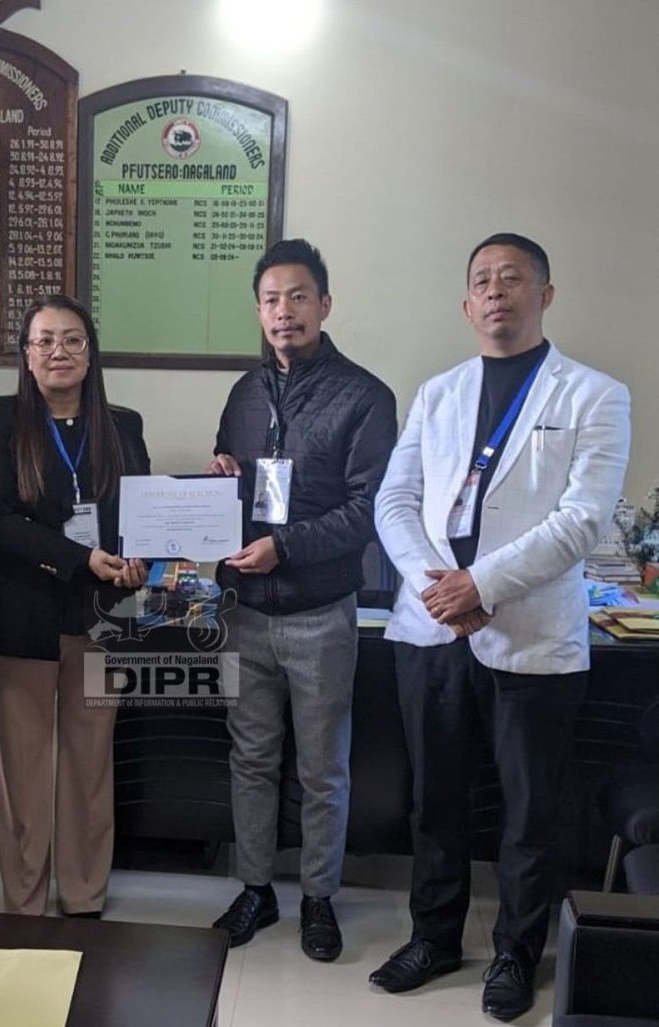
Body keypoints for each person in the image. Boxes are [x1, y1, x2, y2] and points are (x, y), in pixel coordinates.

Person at [371, 233, 631, 1020]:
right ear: (465, 302)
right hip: (434, 631)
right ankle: (435, 937)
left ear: (545, 294)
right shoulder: (438, 392)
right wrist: (439, 587)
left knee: (529, 809)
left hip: (532, 635)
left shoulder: (595, 394)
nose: (495, 292)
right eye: (481, 281)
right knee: (436, 801)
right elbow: (395, 500)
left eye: (511, 279)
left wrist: (481, 582)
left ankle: (517, 952)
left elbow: (582, 521)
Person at [208, 239, 397, 960]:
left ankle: (319, 897)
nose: (282, 312)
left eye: (296, 297)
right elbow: (237, 481)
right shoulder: (245, 392)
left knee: (323, 766)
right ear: (258, 310)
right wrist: (221, 471)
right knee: (251, 757)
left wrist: (285, 547)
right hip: (243, 609)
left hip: (320, 611)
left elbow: (369, 509)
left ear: (324, 302)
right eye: (269, 300)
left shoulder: (366, 396)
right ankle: (256, 888)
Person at [0, 294, 150, 918]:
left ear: (90, 354)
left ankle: (85, 892)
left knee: (91, 760)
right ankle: (25, 895)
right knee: (24, 765)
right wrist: (79, 559)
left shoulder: (123, 425)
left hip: (102, 615)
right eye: (45, 341)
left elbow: (139, 514)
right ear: (26, 355)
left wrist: (141, 554)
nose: (59, 351)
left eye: (72, 340)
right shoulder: (1, 419)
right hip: (21, 614)